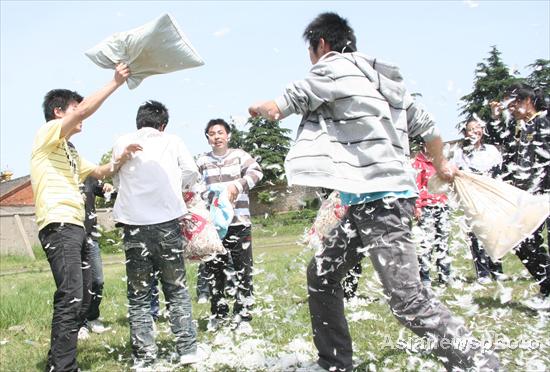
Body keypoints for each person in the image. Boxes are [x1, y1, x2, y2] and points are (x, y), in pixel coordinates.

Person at [249, 13, 499, 371]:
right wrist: (441, 164)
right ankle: (334, 361)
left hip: (380, 204)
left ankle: (481, 363)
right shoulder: (385, 80)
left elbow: (279, 107)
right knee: (321, 276)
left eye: (311, 51)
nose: (312, 59)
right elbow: (429, 128)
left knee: (408, 301)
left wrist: (257, 109)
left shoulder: (330, 68)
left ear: (321, 45)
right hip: (371, 204)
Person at [31, 63, 140, 372]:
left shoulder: (69, 149)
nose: (80, 115)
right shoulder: (46, 135)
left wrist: (122, 158)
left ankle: (59, 360)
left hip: (76, 225)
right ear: (58, 112)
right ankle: (63, 367)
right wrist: (115, 82)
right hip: (59, 223)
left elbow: (99, 172)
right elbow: (82, 114)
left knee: (83, 293)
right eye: (74, 108)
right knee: (70, 295)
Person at [111, 100, 202, 368]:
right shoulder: (172, 140)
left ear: (139, 122)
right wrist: (175, 185)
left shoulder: (122, 142)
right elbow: (191, 172)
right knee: (176, 289)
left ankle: (144, 356)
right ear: (162, 124)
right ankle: (186, 349)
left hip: (133, 226)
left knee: (139, 294)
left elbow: (116, 179)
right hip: (166, 225)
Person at [196, 118, 263, 334]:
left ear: (228, 135)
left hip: (239, 223)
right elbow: (193, 186)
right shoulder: (202, 161)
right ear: (207, 138)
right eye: (212, 133)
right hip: (213, 228)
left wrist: (238, 184)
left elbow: (257, 172)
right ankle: (218, 314)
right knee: (216, 272)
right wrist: (209, 195)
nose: (216, 137)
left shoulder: (240, 156)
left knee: (244, 271)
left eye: (220, 132)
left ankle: (243, 316)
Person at [499, 83, 550, 310]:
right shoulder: (520, 127)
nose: (511, 108)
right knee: (523, 242)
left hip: (545, 192)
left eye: (514, 103)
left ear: (527, 100)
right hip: (527, 197)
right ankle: (547, 284)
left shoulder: (545, 120)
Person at [451, 117, 505, 284]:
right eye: (471, 129)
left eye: (478, 128)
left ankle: (497, 269)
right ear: (465, 133)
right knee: (476, 234)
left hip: (491, 198)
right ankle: (482, 272)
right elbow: (455, 174)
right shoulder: (460, 153)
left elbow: (500, 173)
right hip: (472, 199)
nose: (475, 131)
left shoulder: (491, 151)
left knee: (494, 233)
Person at [78, 176, 116, 340]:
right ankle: (80, 323)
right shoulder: (61, 177)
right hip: (70, 236)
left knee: (97, 280)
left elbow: (112, 194)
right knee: (78, 283)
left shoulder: (89, 178)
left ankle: (93, 317)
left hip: (90, 237)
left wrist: (109, 187)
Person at [412, 144, 451, 286]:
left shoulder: (440, 161)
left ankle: (445, 275)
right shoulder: (419, 163)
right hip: (426, 207)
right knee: (426, 242)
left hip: (442, 205)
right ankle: (425, 277)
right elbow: (416, 186)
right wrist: (417, 206)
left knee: (443, 241)